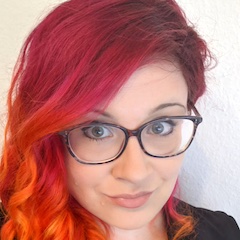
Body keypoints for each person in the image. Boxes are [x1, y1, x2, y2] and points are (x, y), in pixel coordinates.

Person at [0, 0, 239, 239]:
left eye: (160, 126)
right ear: (49, 135)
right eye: (97, 131)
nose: (135, 173)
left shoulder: (222, 232)